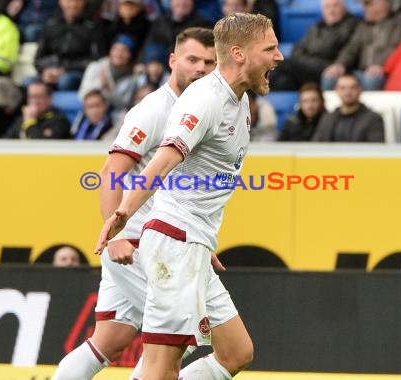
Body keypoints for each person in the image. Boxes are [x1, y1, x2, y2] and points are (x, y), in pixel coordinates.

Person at [94, 13, 282, 380]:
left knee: (236, 352)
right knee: (163, 365)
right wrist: (121, 216)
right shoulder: (204, 100)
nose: (279, 57)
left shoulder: (239, 99)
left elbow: (192, 177)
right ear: (240, 54)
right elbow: (161, 163)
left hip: (192, 242)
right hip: (175, 246)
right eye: (270, 48)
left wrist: (200, 239)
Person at [52, 27, 240, 380]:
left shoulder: (204, 106)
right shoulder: (155, 110)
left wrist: (196, 239)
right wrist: (115, 235)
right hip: (141, 245)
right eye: (193, 59)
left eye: (209, 62)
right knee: (179, 340)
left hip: (167, 238)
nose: (201, 68)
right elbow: (112, 171)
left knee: (110, 339)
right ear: (172, 61)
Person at [321, 0, 401, 91]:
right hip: (362, 71)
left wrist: (381, 65)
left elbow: (397, 48)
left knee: (371, 80)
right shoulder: (363, 25)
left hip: (386, 72)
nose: (364, 8)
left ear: (383, 3)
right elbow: (351, 49)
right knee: (330, 78)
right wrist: (339, 65)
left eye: (368, 4)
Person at [269, 0, 359, 91]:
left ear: (344, 8)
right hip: (307, 67)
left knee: (278, 62)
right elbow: (298, 49)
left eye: (335, 6)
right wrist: (306, 60)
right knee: (281, 81)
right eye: (327, 7)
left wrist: (339, 65)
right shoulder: (316, 26)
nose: (331, 10)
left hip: (327, 67)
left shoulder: (353, 25)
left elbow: (349, 50)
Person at [313, 73, 384, 142]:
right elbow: (317, 146)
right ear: (336, 90)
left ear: (360, 90)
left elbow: (376, 150)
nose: (347, 92)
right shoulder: (327, 119)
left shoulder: (373, 120)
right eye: (342, 88)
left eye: (352, 88)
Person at [4, 80, 71, 139]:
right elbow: (5, 142)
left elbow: (41, 146)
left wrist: (30, 123)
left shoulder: (59, 121)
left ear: (50, 99)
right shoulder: (22, 119)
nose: (35, 101)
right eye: (31, 97)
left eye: (39, 97)